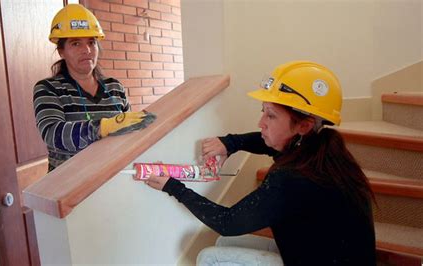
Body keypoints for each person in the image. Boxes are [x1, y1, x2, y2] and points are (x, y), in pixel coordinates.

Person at [145, 61, 376, 265]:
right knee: (223, 244)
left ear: (303, 126)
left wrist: (173, 187)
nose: (261, 122)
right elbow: (266, 142)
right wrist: (230, 143)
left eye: (271, 116)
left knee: (209, 257)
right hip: (327, 254)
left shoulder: (294, 178)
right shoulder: (318, 148)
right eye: (263, 112)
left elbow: (227, 221)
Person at [34, 4, 155, 171]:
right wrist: (103, 127)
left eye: (92, 42)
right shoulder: (48, 89)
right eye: (76, 43)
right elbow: (53, 135)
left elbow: (127, 134)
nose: (87, 50)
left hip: (110, 179)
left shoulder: (114, 88)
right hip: (68, 186)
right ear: (61, 51)